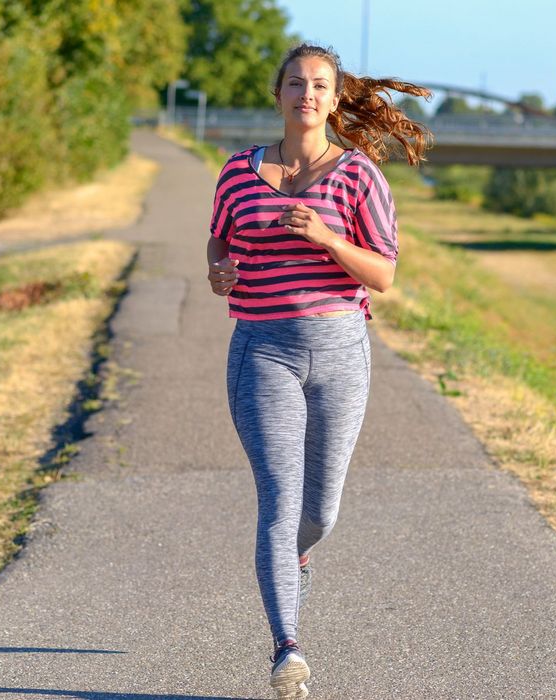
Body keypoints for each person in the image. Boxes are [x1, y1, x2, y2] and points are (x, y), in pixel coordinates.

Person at [204, 43, 431, 699]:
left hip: (339, 352)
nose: (307, 93)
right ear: (278, 95)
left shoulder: (359, 177)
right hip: (262, 350)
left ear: (334, 100)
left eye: (320, 85)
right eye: (296, 83)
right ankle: (287, 650)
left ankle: (299, 559)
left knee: (320, 512)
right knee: (278, 503)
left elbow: (383, 274)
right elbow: (220, 236)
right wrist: (217, 268)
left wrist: (329, 239)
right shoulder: (237, 173)